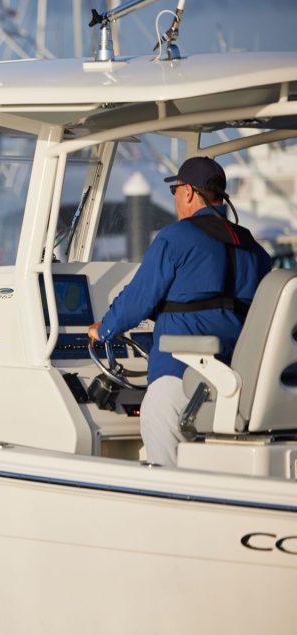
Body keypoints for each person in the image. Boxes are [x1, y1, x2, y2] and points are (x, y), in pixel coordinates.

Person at [87, 156, 272, 466]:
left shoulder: (175, 238)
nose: (174, 198)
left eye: (175, 189)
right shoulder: (253, 247)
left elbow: (138, 299)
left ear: (187, 192)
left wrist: (103, 328)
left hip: (180, 374)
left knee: (158, 428)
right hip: (236, 378)